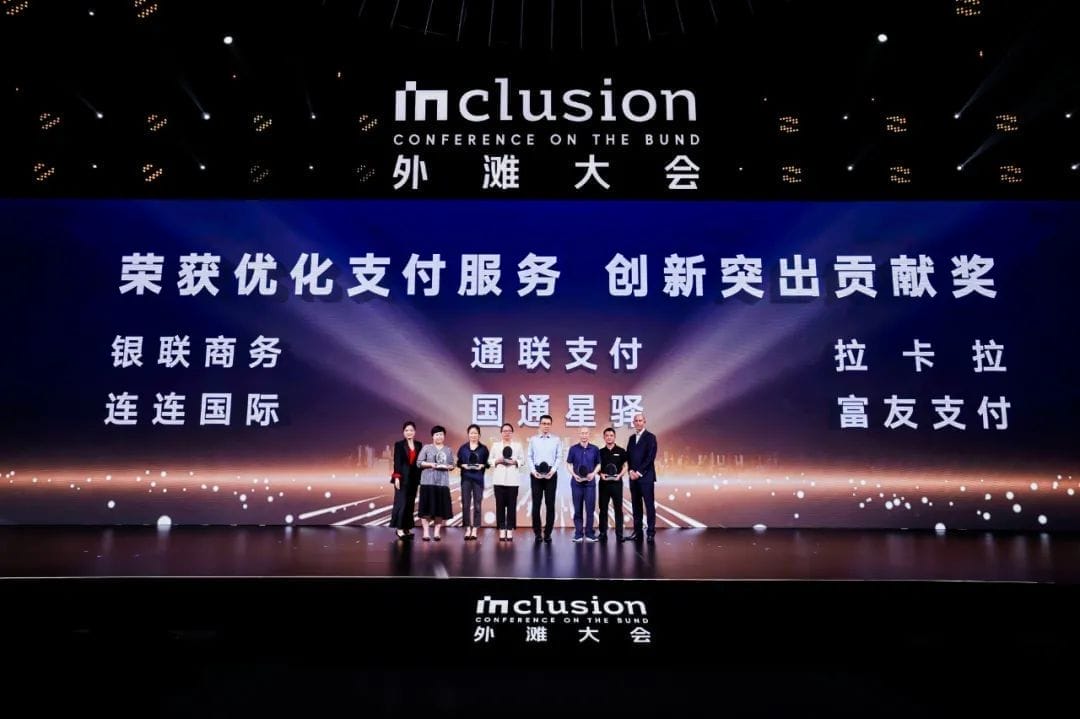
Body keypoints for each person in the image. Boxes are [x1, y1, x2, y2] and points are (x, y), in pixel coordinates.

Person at [527, 414, 562, 543]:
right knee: (536, 504)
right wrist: (533, 471)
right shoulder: (533, 440)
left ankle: (547, 533)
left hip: (551, 473)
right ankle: (537, 533)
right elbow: (529, 456)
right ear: (540, 425)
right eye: (543, 423)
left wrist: (552, 471)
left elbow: (559, 457)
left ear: (550, 425)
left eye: (548, 423)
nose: (546, 426)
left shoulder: (556, 440)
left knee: (550, 504)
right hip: (536, 473)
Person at [417, 426, 455, 541]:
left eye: (441, 434)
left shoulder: (448, 450)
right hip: (427, 482)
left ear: (444, 436)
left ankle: (437, 532)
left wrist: (449, 466)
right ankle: (426, 532)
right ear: (433, 436)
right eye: (437, 434)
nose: (439, 436)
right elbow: (419, 463)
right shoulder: (427, 448)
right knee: (426, 509)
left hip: (442, 483)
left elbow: (452, 465)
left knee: (440, 509)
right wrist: (430, 464)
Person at [489, 422, 525, 542]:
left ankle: (509, 530)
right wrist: (498, 461)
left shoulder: (517, 446)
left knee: (511, 506)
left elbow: (522, 460)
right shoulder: (495, 445)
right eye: (504, 431)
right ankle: (501, 529)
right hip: (498, 480)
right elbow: (489, 460)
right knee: (499, 506)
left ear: (512, 433)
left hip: (513, 481)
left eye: (509, 431)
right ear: (501, 433)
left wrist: (515, 462)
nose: (507, 433)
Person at [626, 412, 658, 543]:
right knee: (636, 506)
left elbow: (650, 457)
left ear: (644, 422)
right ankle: (637, 532)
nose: (638, 423)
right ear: (633, 423)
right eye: (636, 421)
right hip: (633, 478)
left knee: (649, 505)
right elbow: (628, 456)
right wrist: (630, 471)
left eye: (640, 420)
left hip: (646, 477)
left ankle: (650, 532)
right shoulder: (631, 438)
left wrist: (638, 472)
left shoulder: (651, 437)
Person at [566, 428, 601, 542]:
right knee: (577, 509)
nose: (584, 435)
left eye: (586, 433)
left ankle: (590, 533)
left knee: (590, 509)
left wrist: (593, 473)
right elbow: (568, 464)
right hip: (576, 483)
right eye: (582, 433)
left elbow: (599, 464)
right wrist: (574, 475)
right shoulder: (573, 449)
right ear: (579, 434)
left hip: (590, 483)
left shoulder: (595, 449)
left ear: (589, 434)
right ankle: (578, 534)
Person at [456, 424, 490, 541]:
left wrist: (482, 465)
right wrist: (463, 465)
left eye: (475, 433)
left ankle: (475, 529)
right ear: (468, 434)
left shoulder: (483, 449)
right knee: (465, 504)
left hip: (478, 479)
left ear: (479, 435)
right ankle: (467, 528)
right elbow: (458, 463)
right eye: (471, 433)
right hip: (466, 478)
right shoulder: (463, 448)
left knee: (477, 504)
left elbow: (488, 464)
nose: (473, 435)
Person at [389, 420, 422, 540]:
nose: (409, 432)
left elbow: (419, 462)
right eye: (406, 430)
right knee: (401, 503)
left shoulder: (419, 444)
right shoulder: (399, 445)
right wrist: (397, 477)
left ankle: (406, 528)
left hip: (414, 479)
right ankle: (399, 529)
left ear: (415, 432)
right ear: (403, 432)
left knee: (410, 504)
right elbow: (397, 462)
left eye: (411, 430)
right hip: (402, 479)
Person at [597, 427, 627, 543]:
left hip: (617, 484)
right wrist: (600, 474)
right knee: (603, 509)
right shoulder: (600, 452)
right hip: (604, 484)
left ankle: (619, 534)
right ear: (604, 437)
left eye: (611, 435)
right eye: (607, 435)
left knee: (618, 509)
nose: (609, 437)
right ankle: (602, 533)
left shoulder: (621, 451)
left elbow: (626, 466)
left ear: (614, 437)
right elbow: (596, 467)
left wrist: (620, 475)